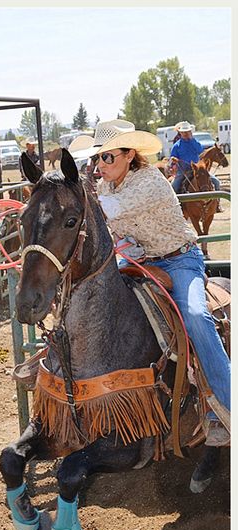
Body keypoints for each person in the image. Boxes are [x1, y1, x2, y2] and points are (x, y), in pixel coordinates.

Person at [78, 119, 230, 446]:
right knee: (91, 295)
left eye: (107, 157)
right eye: (97, 159)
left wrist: (72, 195)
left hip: (179, 259)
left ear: (130, 155)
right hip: (140, 260)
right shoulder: (105, 187)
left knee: (195, 317)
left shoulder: (149, 181)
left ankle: (227, 404)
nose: (100, 165)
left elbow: (109, 211)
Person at [170, 121, 220, 193]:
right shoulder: (177, 146)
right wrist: (173, 160)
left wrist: (192, 140)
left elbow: (200, 151)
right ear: (180, 133)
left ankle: (217, 201)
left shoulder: (195, 142)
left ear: (190, 132)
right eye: (183, 132)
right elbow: (172, 158)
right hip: (183, 171)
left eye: (187, 132)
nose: (185, 134)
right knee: (174, 187)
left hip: (198, 169)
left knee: (216, 182)